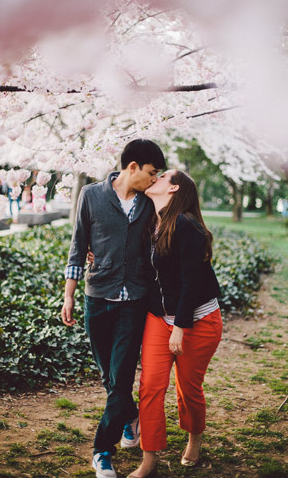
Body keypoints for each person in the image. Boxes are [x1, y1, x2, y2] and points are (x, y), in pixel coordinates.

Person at [61, 139, 166, 478]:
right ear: (132, 166)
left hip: (133, 302)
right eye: (151, 173)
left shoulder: (150, 203)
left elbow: (158, 247)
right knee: (110, 377)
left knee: (120, 380)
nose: (153, 180)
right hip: (97, 299)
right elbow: (78, 246)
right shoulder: (91, 196)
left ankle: (101, 452)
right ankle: (129, 415)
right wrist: (69, 295)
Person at [127, 170, 222, 478]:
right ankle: (149, 459)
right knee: (150, 387)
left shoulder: (186, 225)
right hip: (159, 318)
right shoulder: (147, 221)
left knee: (188, 388)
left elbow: (192, 282)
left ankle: (195, 438)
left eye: (163, 175)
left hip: (199, 319)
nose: (155, 176)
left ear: (174, 187)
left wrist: (180, 327)